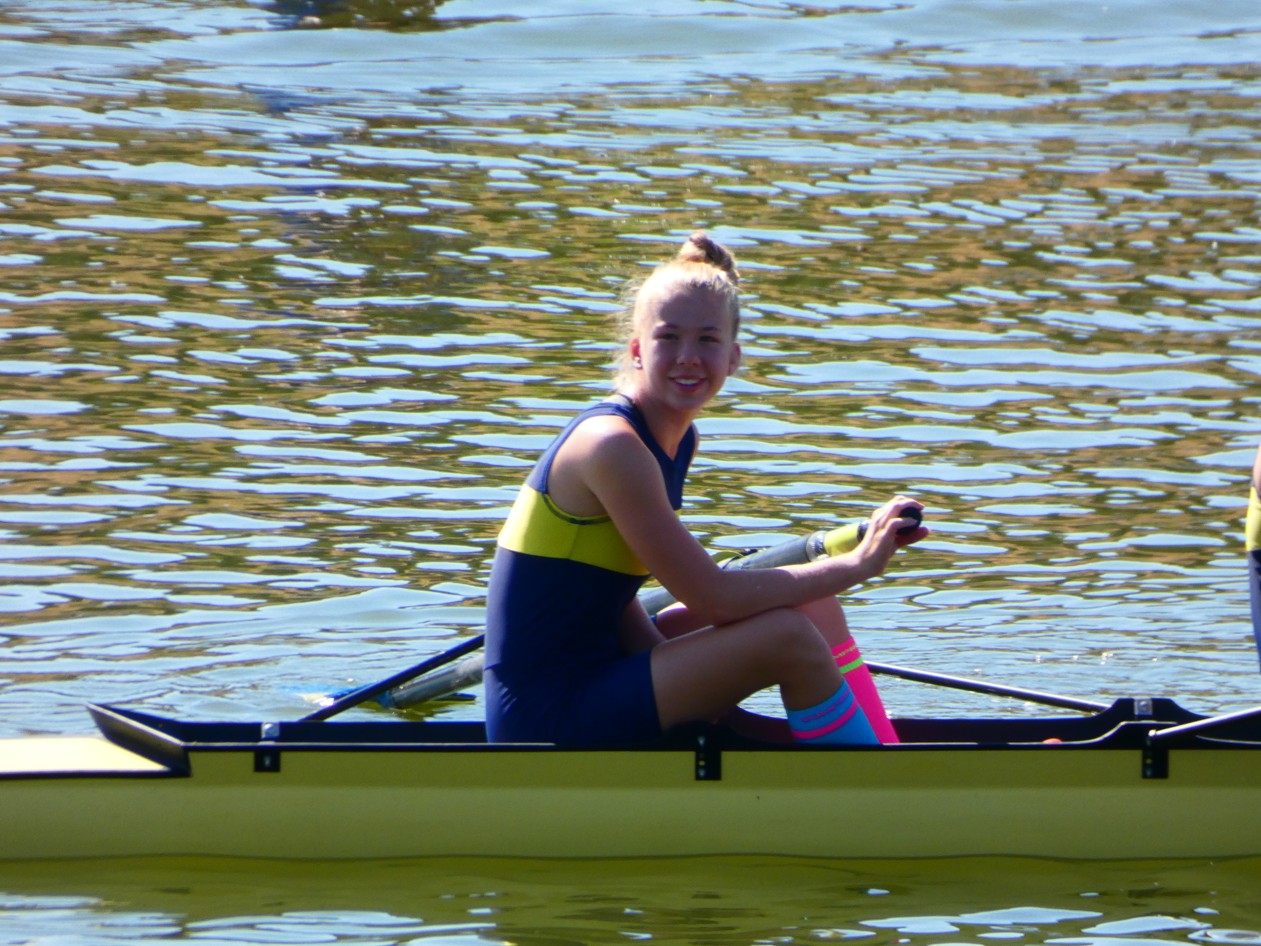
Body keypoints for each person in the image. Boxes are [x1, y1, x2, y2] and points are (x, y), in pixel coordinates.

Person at [483, 231, 926, 746]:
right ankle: (869, 779)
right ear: (637, 350)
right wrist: (858, 564)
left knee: (813, 604)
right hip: (545, 715)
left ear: (733, 357)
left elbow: (611, 598)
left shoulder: (677, 440)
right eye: (669, 337)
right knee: (785, 637)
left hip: (601, 672)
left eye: (707, 340)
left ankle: (878, 748)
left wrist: (698, 690)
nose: (688, 357)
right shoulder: (612, 445)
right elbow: (714, 599)